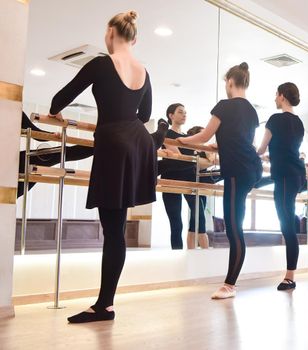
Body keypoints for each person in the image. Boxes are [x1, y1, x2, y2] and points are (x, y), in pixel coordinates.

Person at [48, 11, 156, 323]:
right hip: (137, 144)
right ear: (134, 38)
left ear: (111, 33)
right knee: (117, 231)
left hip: (112, 144)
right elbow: (145, 112)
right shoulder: (144, 71)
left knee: (112, 230)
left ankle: (104, 306)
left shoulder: (100, 63)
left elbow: (59, 99)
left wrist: (55, 113)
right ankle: (105, 303)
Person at [177, 62, 262, 299]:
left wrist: (181, 140)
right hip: (250, 168)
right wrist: (219, 145)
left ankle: (230, 285)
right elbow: (240, 139)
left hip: (237, 170)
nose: (225, 86)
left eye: (225, 82)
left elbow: (204, 134)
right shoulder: (252, 111)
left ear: (231, 82)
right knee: (236, 226)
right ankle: (230, 284)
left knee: (234, 229)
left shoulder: (224, 105)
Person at [18, 112, 168, 198]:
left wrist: (50, 134)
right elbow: (34, 132)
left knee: (62, 153)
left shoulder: (13, 107)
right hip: (14, 161)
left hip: (17, 160)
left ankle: (105, 145)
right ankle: (106, 144)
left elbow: (33, 131)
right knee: (62, 153)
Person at [257, 82, 305, 291]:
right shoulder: (299, 123)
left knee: (286, 225)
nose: (275, 99)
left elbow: (260, 149)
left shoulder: (275, 119)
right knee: (286, 222)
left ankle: (290, 277)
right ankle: (290, 274)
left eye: (276, 95)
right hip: (294, 174)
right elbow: (286, 148)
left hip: (285, 175)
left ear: (282, 96)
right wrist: (272, 156)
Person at [159, 104, 210, 249]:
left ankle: (203, 256)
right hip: (171, 179)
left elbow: (200, 158)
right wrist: (194, 156)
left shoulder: (189, 138)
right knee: (176, 224)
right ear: (171, 116)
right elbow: (179, 157)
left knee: (199, 217)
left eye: (185, 112)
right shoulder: (167, 134)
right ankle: (177, 255)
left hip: (190, 178)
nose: (184, 114)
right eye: (180, 112)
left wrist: (197, 157)